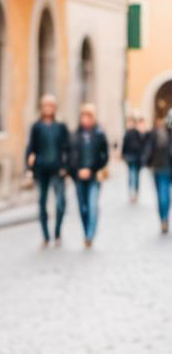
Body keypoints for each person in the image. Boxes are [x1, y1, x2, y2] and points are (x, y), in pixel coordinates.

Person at [24, 94, 69, 247]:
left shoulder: (61, 127)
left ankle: (57, 232)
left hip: (57, 170)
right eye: (45, 105)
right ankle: (45, 235)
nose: (48, 108)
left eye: (51, 105)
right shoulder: (36, 127)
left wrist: (66, 167)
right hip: (41, 169)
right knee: (42, 203)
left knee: (61, 203)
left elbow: (67, 148)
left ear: (54, 108)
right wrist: (28, 169)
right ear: (42, 108)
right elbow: (31, 148)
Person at [67, 103, 109, 249]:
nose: (85, 119)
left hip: (94, 177)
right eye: (83, 116)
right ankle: (86, 232)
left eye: (88, 116)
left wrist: (92, 169)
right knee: (83, 207)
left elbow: (104, 156)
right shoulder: (74, 135)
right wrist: (75, 171)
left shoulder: (99, 134)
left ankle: (90, 234)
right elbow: (70, 156)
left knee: (92, 206)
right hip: (79, 177)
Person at [141, 113, 171, 234]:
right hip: (161, 168)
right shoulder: (158, 134)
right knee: (164, 195)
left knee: (162, 195)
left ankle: (163, 218)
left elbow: (148, 149)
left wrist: (146, 162)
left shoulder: (156, 133)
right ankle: (164, 218)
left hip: (160, 168)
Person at [122, 115, 144, 203]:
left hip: (136, 157)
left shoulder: (137, 133)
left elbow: (142, 145)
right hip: (130, 157)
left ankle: (135, 192)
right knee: (132, 175)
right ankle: (132, 193)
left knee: (135, 175)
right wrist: (123, 154)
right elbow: (124, 145)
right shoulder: (127, 133)